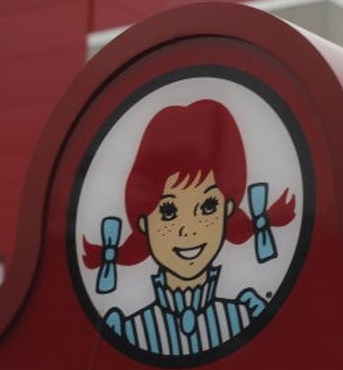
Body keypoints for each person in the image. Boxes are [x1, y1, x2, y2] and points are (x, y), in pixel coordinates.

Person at [82, 99, 297, 356]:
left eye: (207, 207)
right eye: (169, 211)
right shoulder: (127, 329)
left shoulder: (246, 312)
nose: (188, 230)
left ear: (227, 210)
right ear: (143, 222)